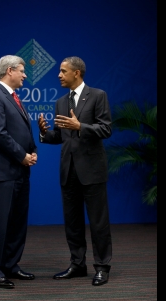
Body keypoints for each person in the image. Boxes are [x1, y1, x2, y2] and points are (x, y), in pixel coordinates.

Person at [38, 56, 113, 286]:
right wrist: (44, 133)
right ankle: (77, 264)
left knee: (98, 222)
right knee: (72, 222)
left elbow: (105, 128)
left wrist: (81, 126)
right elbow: (61, 136)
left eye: (62, 71)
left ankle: (101, 267)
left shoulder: (98, 95)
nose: (59, 75)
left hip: (92, 170)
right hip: (68, 171)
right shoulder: (61, 101)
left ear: (77, 73)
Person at [0, 55, 38, 289]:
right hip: (3, 172)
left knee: (17, 223)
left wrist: (31, 151)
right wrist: (21, 155)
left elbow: (21, 131)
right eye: (22, 71)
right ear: (10, 71)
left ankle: (11, 266)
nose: (25, 75)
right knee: (0, 224)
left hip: (20, 172)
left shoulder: (14, 97)